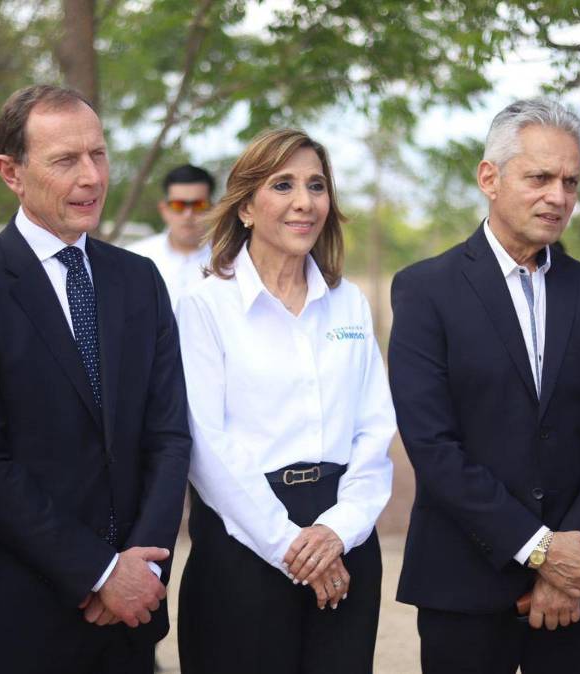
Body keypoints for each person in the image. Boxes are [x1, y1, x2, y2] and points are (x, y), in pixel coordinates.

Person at [0, 84, 191, 674]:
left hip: (130, 618)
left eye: (98, 154)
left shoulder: (139, 280)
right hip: (15, 614)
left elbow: (169, 436)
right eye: (66, 160)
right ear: (10, 172)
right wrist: (98, 573)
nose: (92, 177)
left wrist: (139, 573)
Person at [388, 99, 580, 674]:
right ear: (489, 178)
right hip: (463, 581)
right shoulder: (425, 290)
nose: (558, 196)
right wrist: (539, 549)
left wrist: (570, 559)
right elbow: (431, 444)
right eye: (540, 177)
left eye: (570, 181)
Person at [174, 128, 395, 673]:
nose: (305, 201)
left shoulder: (348, 305)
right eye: (284, 184)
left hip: (344, 542)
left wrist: (339, 531)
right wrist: (289, 546)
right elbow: (207, 445)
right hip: (243, 545)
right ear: (246, 206)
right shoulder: (205, 307)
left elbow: (374, 431)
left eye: (317, 186)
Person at [127, 164, 215, 307]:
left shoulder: (231, 260)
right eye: (178, 205)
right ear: (164, 209)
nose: (188, 215)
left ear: (213, 209)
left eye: (198, 205)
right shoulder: (135, 259)